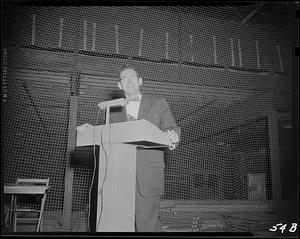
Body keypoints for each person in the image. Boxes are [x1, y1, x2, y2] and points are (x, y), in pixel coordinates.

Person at [109, 64, 180, 232]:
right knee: (119, 225)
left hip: (148, 175)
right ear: (119, 85)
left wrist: (173, 136)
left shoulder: (158, 102)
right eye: (124, 78)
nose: (129, 81)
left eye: (132, 77)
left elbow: (170, 128)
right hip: (119, 176)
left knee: (146, 226)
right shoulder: (112, 109)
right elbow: (108, 138)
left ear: (140, 81)